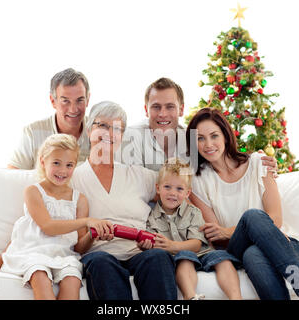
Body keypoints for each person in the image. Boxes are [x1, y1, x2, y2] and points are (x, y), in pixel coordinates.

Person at [186, 107, 299, 300]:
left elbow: (276, 219)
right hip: (234, 247)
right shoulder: (197, 180)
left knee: (253, 254)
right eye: (200, 138)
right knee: (252, 217)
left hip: (283, 243)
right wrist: (231, 232)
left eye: (214, 136)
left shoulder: (258, 163)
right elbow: (217, 237)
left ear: (226, 136)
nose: (208, 144)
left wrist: (227, 230)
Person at [70, 101, 177, 300]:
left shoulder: (138, 176)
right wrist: (93, 234)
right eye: (102, 125)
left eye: (117, 129)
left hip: (140, 252)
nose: (109, 134)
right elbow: (77, 246)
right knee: (101, 262)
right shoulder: (72, 179)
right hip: (99, 255)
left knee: (158, 257)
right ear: (88, 129)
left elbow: (179, 189)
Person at [0, 134, 113, 300]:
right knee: (39, 275)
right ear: (43, 161)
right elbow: (48, 226)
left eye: (69, 165)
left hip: (64, 256)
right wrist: (87, 221)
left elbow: (79, 248)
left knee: (72, 280)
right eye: (56, 163)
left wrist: (93, 234)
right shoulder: (33, 192)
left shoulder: (79, 200)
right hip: (34, 252)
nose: (62, 170)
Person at [117, 77, 278, 173]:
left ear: (181, 109)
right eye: (156, 107)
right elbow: (136, 186)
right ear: (146, 110)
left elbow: (219, 162)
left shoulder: (192, 138)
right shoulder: (131, 137)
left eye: (170, 106)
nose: (163, 114)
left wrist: (255, 162)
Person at [139, 158, 242, 300]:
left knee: (222, 258)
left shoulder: (194, 212)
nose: (172, 193)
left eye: (179, 189)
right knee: (184, 258)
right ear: (158, 188)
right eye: (167, 187)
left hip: (203, 252)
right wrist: (146, 246)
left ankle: (236, 297)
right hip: (180, 257)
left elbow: (196, 244)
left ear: (188, 193)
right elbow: (153, 243)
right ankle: (191, 296)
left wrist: (172, 245)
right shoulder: (151, 217)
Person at [7, 68, 91, 169]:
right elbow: (13, 175)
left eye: (80, 100)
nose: (73, 109)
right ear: (53, 101)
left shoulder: (100, 132)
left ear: (87, 100)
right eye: (65, 101)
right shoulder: (32, 133)